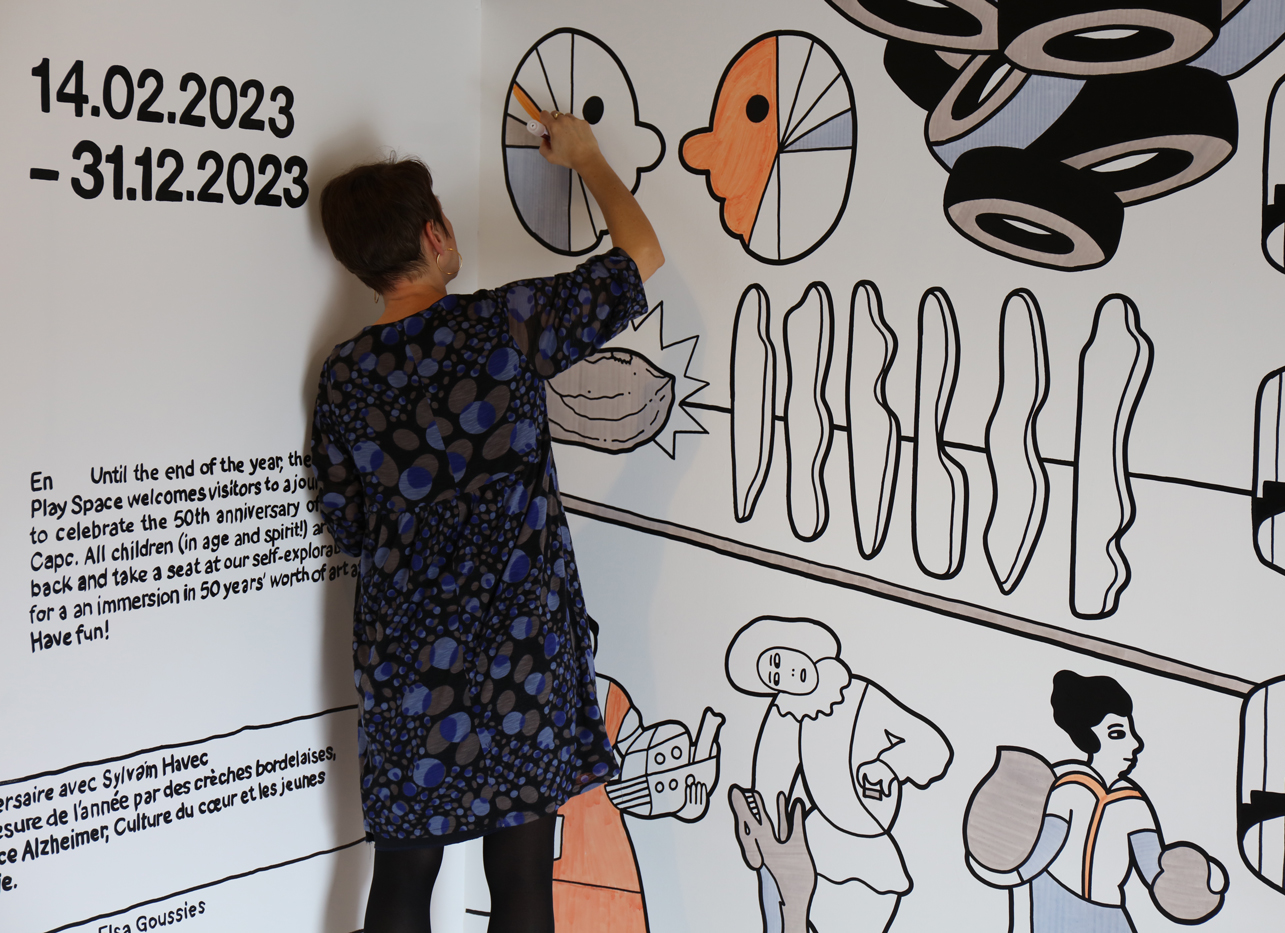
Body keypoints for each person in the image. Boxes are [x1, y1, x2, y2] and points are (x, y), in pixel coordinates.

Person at [311, 109, 663, 933]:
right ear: (434, 234)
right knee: (521, 876)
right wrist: (588, 157)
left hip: (405, 661)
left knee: (403, 873)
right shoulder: (504, 323)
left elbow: (348, 523)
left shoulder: (345, 376)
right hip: (519, 655)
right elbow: (641, 255)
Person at [724, 617, 953, 933]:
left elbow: (933, 747)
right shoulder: (785, 714)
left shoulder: (860, 695)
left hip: (868, 845)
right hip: (813, 847)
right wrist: (763, 842)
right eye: (774, 675)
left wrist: (889, 765)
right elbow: (769, 788)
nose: (785, 673)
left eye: (779, 660)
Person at [965, 671, 1228, 933]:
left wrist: (1187, 885)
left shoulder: (1133, 802)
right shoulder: (1070, 787)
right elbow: (1045, 847)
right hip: (1058, 904)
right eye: (1118, 733)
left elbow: (1152, 868)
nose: (1135, 744)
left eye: (1130, 731)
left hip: (1109, 914)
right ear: (1089, 738)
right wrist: (1001, 871)